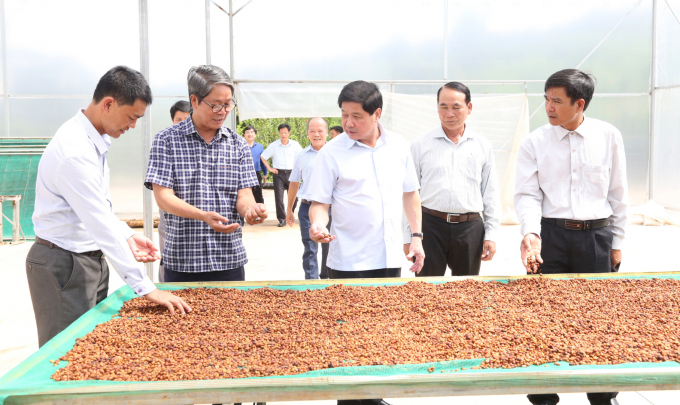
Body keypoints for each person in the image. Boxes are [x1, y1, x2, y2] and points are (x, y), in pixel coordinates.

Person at [27, 66, 191, 347]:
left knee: (88, 348)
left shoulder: (93, 141)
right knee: (65, 354)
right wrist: (147, 288)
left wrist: (127, 234)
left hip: (85, 259)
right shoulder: (74, 152)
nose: (133, 126)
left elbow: (98, 208)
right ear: (108, 104)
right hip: (64, 263)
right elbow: (100, 225)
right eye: (131, 117)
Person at [307, 81, 425, 405]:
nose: (348, 123)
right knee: (349, 337)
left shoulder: (399, 146)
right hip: (348, 261)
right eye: (344, 115)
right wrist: (318, 224)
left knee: (383, 332)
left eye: (356, 116)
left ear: (377, 114)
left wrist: (416, 237)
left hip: (388, 257)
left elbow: (410, 193)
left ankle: (374, 395)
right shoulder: (332, 152)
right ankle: (351, 400)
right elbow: (319, 202)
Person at [515, 69, 628, 405]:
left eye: (557, 101)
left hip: (596, 237)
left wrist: (618, 243)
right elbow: (527, 195)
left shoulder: (608, 136)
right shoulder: (535, 141)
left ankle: (603, 396)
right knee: (541, 317)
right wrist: (530, 234)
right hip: (549, 237)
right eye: (546, 99)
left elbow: (619, 193)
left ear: (580, 104)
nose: (548, 106)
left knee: (597, 320)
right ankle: (544, 396)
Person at [145, 65, 268, 283]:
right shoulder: (166, 141)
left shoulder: (238, 144)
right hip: (183, 260)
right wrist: (202, 216)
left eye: (228, 104)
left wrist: (250, 209)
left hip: (228, 258)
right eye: (215, 105)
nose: (223, 111)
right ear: (194, 101)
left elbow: (244, 194)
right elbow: (163, 198)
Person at [404, 82, 500, 277]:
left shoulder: (482, 145)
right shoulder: (420, 144)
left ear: (469, 108)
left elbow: (490, 193)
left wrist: (491, 234)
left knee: (466, 291)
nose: (449, 114)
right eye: (443, 107)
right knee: (427, 290)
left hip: (470, 228)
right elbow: (410, 193)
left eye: (456, 107)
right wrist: (410, 236)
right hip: (429, 226)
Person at [285, 117, 332, 280]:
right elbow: (294, 183)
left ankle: (329, 281)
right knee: (310, 247)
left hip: (332, 208)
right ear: (307, 134)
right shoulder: (301, 156)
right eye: (312, 131)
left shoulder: (335, 154)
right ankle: (311, 285)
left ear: (327, 132)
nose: (316, 134)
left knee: (331, 247)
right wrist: (289, 209)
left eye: (320, 131)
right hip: (306, 207)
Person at [158, 100, 192, 282]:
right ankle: (165, 288)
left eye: (187, 119)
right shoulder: (165, 142)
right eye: (179, 119)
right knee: (168, 253)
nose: (183, 123)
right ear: (172, 120)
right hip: (170, 213)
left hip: (198, 214)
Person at [260, 123, 303, 226]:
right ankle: (282, 219)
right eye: (281, 133)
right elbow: (263, 156)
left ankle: (289, 214)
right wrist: (270, 168)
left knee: (295, 197)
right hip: (278, 174)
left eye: (285, 133)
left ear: (289, 133)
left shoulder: (295, 144)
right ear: (279, 133)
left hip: (292, 174)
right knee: (279, 198)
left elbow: (302, 156)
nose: (283, 135)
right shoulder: (274, 145)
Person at [243, 125, 267, 204]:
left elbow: (262, 161)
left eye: (251, 132)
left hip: (256, 173)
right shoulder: (241, 146)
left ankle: (260, 212)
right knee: (244, 194)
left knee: (258, 194)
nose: (250, 134)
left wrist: (265, 173)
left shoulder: (259, 147)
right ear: (244, 135)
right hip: (244, 173)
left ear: (255, 134)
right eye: (247, 132)